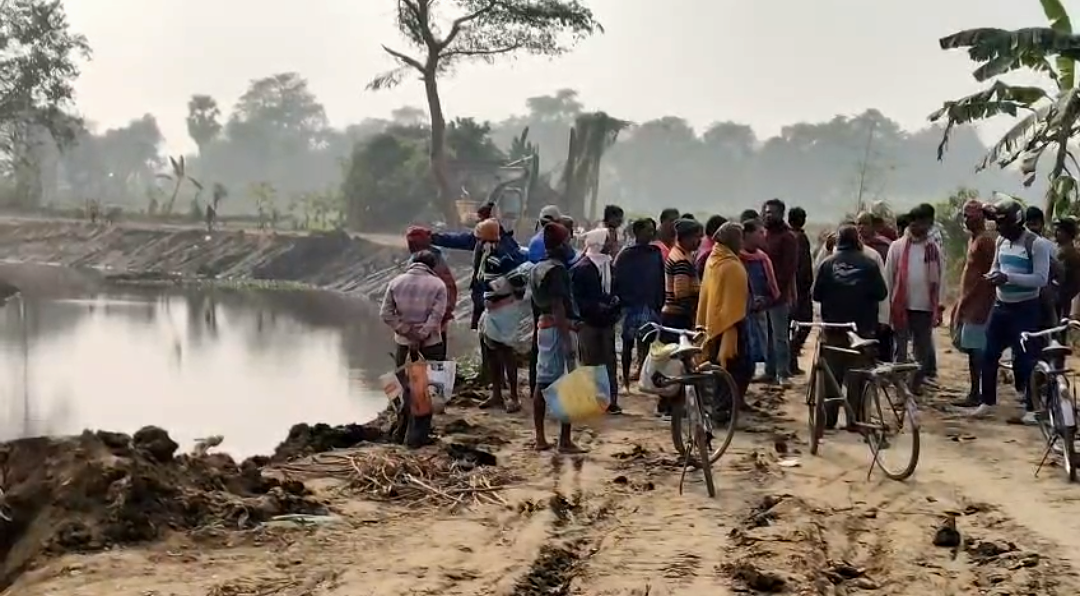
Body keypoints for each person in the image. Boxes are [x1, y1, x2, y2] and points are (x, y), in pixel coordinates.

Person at [967, 198, 1053, 421]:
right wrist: (995, 276)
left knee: (1025, 358)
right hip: (1001, 306)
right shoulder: (1001, 242)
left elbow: (1040, 279)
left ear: (1017, 223)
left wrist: (1008, 277)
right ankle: (987, 401)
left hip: (1025, 308)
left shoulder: (1036, 244)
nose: (1000, 229)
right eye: (998, 224)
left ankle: (1032, 408)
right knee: (988, 353)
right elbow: (997, 264)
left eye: (1004, 225)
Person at [812, 224, 888, 428]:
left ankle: (828, 420)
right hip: (862, 331)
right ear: (858, 242)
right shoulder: (870, 264)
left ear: (838, 243)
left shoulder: (827, 264)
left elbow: (816, 294)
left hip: (834, 329)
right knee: (857, 376)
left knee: (832, 376)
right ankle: (855, 421)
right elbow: (882, 293)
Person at [530, 222, 583, 452]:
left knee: (542, 382)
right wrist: (566, 339)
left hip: (543, 327)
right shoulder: (557, 270)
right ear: (562, 243)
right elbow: (559, 306)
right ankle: (565, 440)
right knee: (567, 384)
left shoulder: (537, 267)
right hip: (558, 329)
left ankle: (540, 437)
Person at [884, 203, 944, 393]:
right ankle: (900, 387)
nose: (922, 227)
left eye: (927, 223)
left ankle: (914, 385)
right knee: (899, 350)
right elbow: (889, 277)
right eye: (919, 223)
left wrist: (939, 306)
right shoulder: (898, 246)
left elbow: (942, 279)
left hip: (925, 307)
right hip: (901, 306)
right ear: (912, 223)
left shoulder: (934, 249)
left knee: (922, 351)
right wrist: (886, 308)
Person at [950, 199, 997, 408]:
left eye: (968, 215)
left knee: (977, 350)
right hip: (970, 301)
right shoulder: (974, 240)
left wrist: (980, 299)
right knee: (970, 347)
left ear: (979, 217)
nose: (965, 220)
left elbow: (991, 273)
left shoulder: (986, 241)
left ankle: (978, 393)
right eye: (964, 215)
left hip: (980, 303)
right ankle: (975, 391)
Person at [697, 222, 752, 395]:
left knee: (722, 369)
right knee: (737, 367)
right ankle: (725, 409)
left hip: (714, 323)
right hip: (730, 325)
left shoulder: (714, 260)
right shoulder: (730, 265)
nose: (742, 243)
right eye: (740, 238)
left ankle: (725, 407)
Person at [572, 228, 622, 414]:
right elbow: (580, 298)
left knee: (608, 362)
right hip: (589, 322)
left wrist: (613, 305)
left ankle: (610, 401)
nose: (611, 245)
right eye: (608, 241)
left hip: (606, 322)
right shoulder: (583, 268)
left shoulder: (609, 265)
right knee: (590, 363)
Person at [614, 218, 665, 390]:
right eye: (647, 230)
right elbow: (618, 280)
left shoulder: (655, 252)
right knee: (628, 343)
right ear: (637, 232)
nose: (651, 233)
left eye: (652, 230)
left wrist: (659, 301)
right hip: (631, 304)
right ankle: (626, 380)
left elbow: (660, 278)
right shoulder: (626, 254)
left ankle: (644, 376)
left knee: (648, 342)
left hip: (650, 303)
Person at [381, 250, 449, 366]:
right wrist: (421, 334)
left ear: (412, 262)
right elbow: (437, 315)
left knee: (405, 380)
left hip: (404, 342)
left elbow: (386, 313)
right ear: (433, 266)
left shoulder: (395, 282)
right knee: (434, 381)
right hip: (430, 342)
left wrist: (406, 331)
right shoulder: (438, 285)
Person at [761, 198, 797, 385]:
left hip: (779, 296)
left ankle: (783, 372)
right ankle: (769, 370)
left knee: (780, 336)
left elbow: (788, 269)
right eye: (766, 211)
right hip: (762, 295)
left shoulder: (788, 237)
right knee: (767, 336)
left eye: (772, 212)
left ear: (781, 214)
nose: (768, 215)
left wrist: (775, 289)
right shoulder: (763, 235)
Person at [740, 219, 779, 377]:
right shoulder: (736, 258)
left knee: (762, 340)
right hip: (740, 310)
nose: (763, 236)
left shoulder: (763, 258)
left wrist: (766, 300)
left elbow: (771, 285)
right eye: (759, 233)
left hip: (760, 307)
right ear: (747, 235)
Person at [406, 226, 458, 345]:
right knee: (437, 354)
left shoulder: (425, 260)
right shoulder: (436, 257)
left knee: (425, 356)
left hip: (430, 316)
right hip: (437, 313)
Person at [661, 218, 704, 330]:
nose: (700, 241)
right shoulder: (681, 260)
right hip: (677, 317)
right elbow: (682, 294)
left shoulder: (684, 254)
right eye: (697, 237)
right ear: (685, 238)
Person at [788, 207, 813, 374]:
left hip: (790, 288)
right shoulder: (800, 238)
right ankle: (791, 356)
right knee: (805, 323)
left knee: (791, 326)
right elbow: (804, 266)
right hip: (799, 289)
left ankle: (791, 358)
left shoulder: (789, 237)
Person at [1053, 217, 1080, 320]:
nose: (1056, 232)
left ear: (1068, 234)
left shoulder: (1069, 253)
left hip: (1062, 297)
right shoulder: (1057, 249)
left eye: (1060, 230)